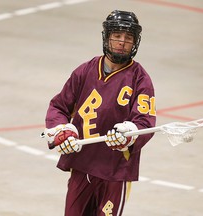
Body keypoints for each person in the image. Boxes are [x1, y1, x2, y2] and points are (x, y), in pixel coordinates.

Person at [42, 10, 156, 216]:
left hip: (114, 171)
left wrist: (129, 133)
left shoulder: (140, 79)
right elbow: (58, 107)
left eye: (128, 38)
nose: (122, 42)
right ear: (107, 37)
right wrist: (62, 131)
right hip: (82, 165)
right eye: (117, 36)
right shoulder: (84, 71)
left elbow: (145, 124)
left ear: (135, 42)